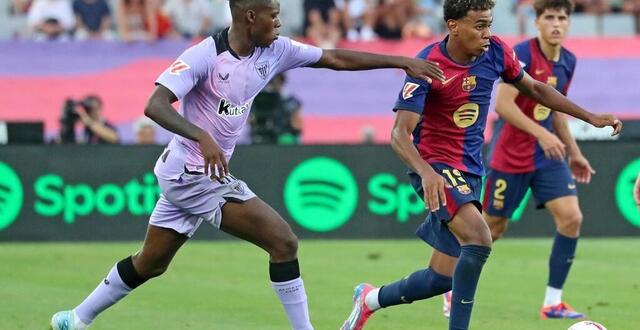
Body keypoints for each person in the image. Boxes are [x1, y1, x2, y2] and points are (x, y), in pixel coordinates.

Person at [49, 0, 445, 329]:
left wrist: (401, 61)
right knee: (283, 241)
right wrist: (201, 136)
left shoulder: (275, 50)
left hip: (192, 174)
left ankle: (75, 318)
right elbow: (154, 105)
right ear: (248, 16)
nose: (279, 20)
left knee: (150, 263)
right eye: (272, 13)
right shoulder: (204, 56)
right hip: (191, 173)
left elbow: (335, 57)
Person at [339, 0, 621, 329]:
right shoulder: (428, 64)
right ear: (453, 26)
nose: (487, 33)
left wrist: (589, 116)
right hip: (436, 166)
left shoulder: (496, 51)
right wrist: (427, 173)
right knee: (480, 237)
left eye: (489, 24)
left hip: (471, 171)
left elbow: (534, 88)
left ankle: (369, 299)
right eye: (479, 25)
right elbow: (400, 134)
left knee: (440, 278)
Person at [439, 0, 593, 320]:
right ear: (536, 22)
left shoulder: (569, 61)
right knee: (490, 230)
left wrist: (574, 152)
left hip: (547, 156)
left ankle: (552, 302)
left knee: (572, 218)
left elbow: (556, 110)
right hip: (511, 156)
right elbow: (504, 106)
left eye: (562, 18)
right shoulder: (521, 52)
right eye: (549, 17)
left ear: (568, 24)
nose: (556, 24)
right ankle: (453, 287)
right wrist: (541, 133)